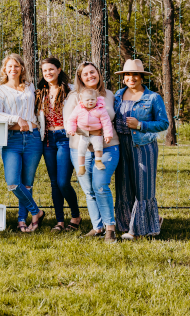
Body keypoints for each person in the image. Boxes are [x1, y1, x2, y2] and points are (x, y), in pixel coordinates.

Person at [64, 61, 120, 243]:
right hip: (79, 148)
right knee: (89, 190)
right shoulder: (74, 97)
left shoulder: (108, 95)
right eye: (85, 74)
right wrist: (90, 131)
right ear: (80, 78)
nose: (90, 76)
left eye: (92, 72)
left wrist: (99, 127)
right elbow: (69, 123)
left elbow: (111, 117)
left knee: (101, 185)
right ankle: (97, 227)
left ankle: (110, 228)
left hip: (107, 146)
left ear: (98, 73)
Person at [113, 59, 169, 240]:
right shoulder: (116, 96)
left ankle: (138, 230)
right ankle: (127, 224)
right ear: (123, 78)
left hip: (143, 147)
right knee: (124, 186)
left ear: (142, 77)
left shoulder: (153, 98)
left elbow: (163, 123)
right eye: (127, 74)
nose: (131, 78)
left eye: (135, 74)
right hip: (121, 146)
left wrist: (140, 125)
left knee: (143, 188)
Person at [0, 54, 45, 232]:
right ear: (4, 69)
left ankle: (22, 220)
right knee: (13, 182)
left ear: (22, 68)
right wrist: (16, 118)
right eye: (9, 66)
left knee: (27, 183)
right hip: (11, 140)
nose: (13, 69)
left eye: (16, 66)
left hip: (32, 138)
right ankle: (36, 212)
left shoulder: (29, 87)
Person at [35, 57, 81, 232]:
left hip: (64, 137)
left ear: (59, 70)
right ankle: (60, 221)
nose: (48, 73)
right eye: (45, 70)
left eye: (51, 69)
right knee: (54, 183)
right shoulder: (41, 92)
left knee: (63, 182)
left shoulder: (70, 91)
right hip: (48, 139)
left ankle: (76, 216)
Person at [68, 89, 113, 175]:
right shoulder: (78, 109)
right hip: (84, 135)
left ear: (97, 99)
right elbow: (72, 120)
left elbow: (106, 123)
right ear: (82, 100)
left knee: (98, 146)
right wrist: (71, 129)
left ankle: (98, 161)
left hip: (96, 134)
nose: (90, 102)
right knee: (81, 150)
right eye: (87, 100)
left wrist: (108, 135)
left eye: (92, 99)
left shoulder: (100, 110)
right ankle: (81, 167)